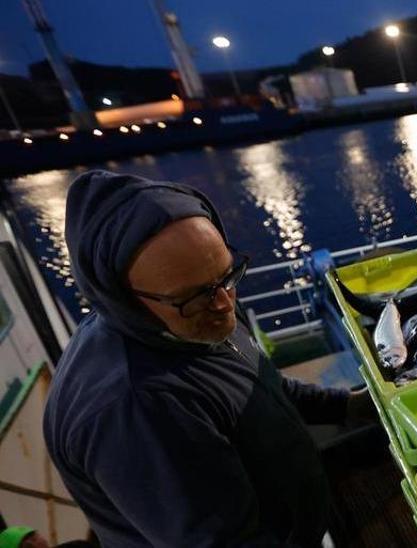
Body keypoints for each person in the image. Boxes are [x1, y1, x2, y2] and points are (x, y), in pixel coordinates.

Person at [43, 171, 375, 546]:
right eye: (195, 295)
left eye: (227, 276)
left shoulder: (193, 314)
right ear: (125, 300)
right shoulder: (135, 408)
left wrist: (349, 406)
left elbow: (259, 386)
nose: (224, 305)